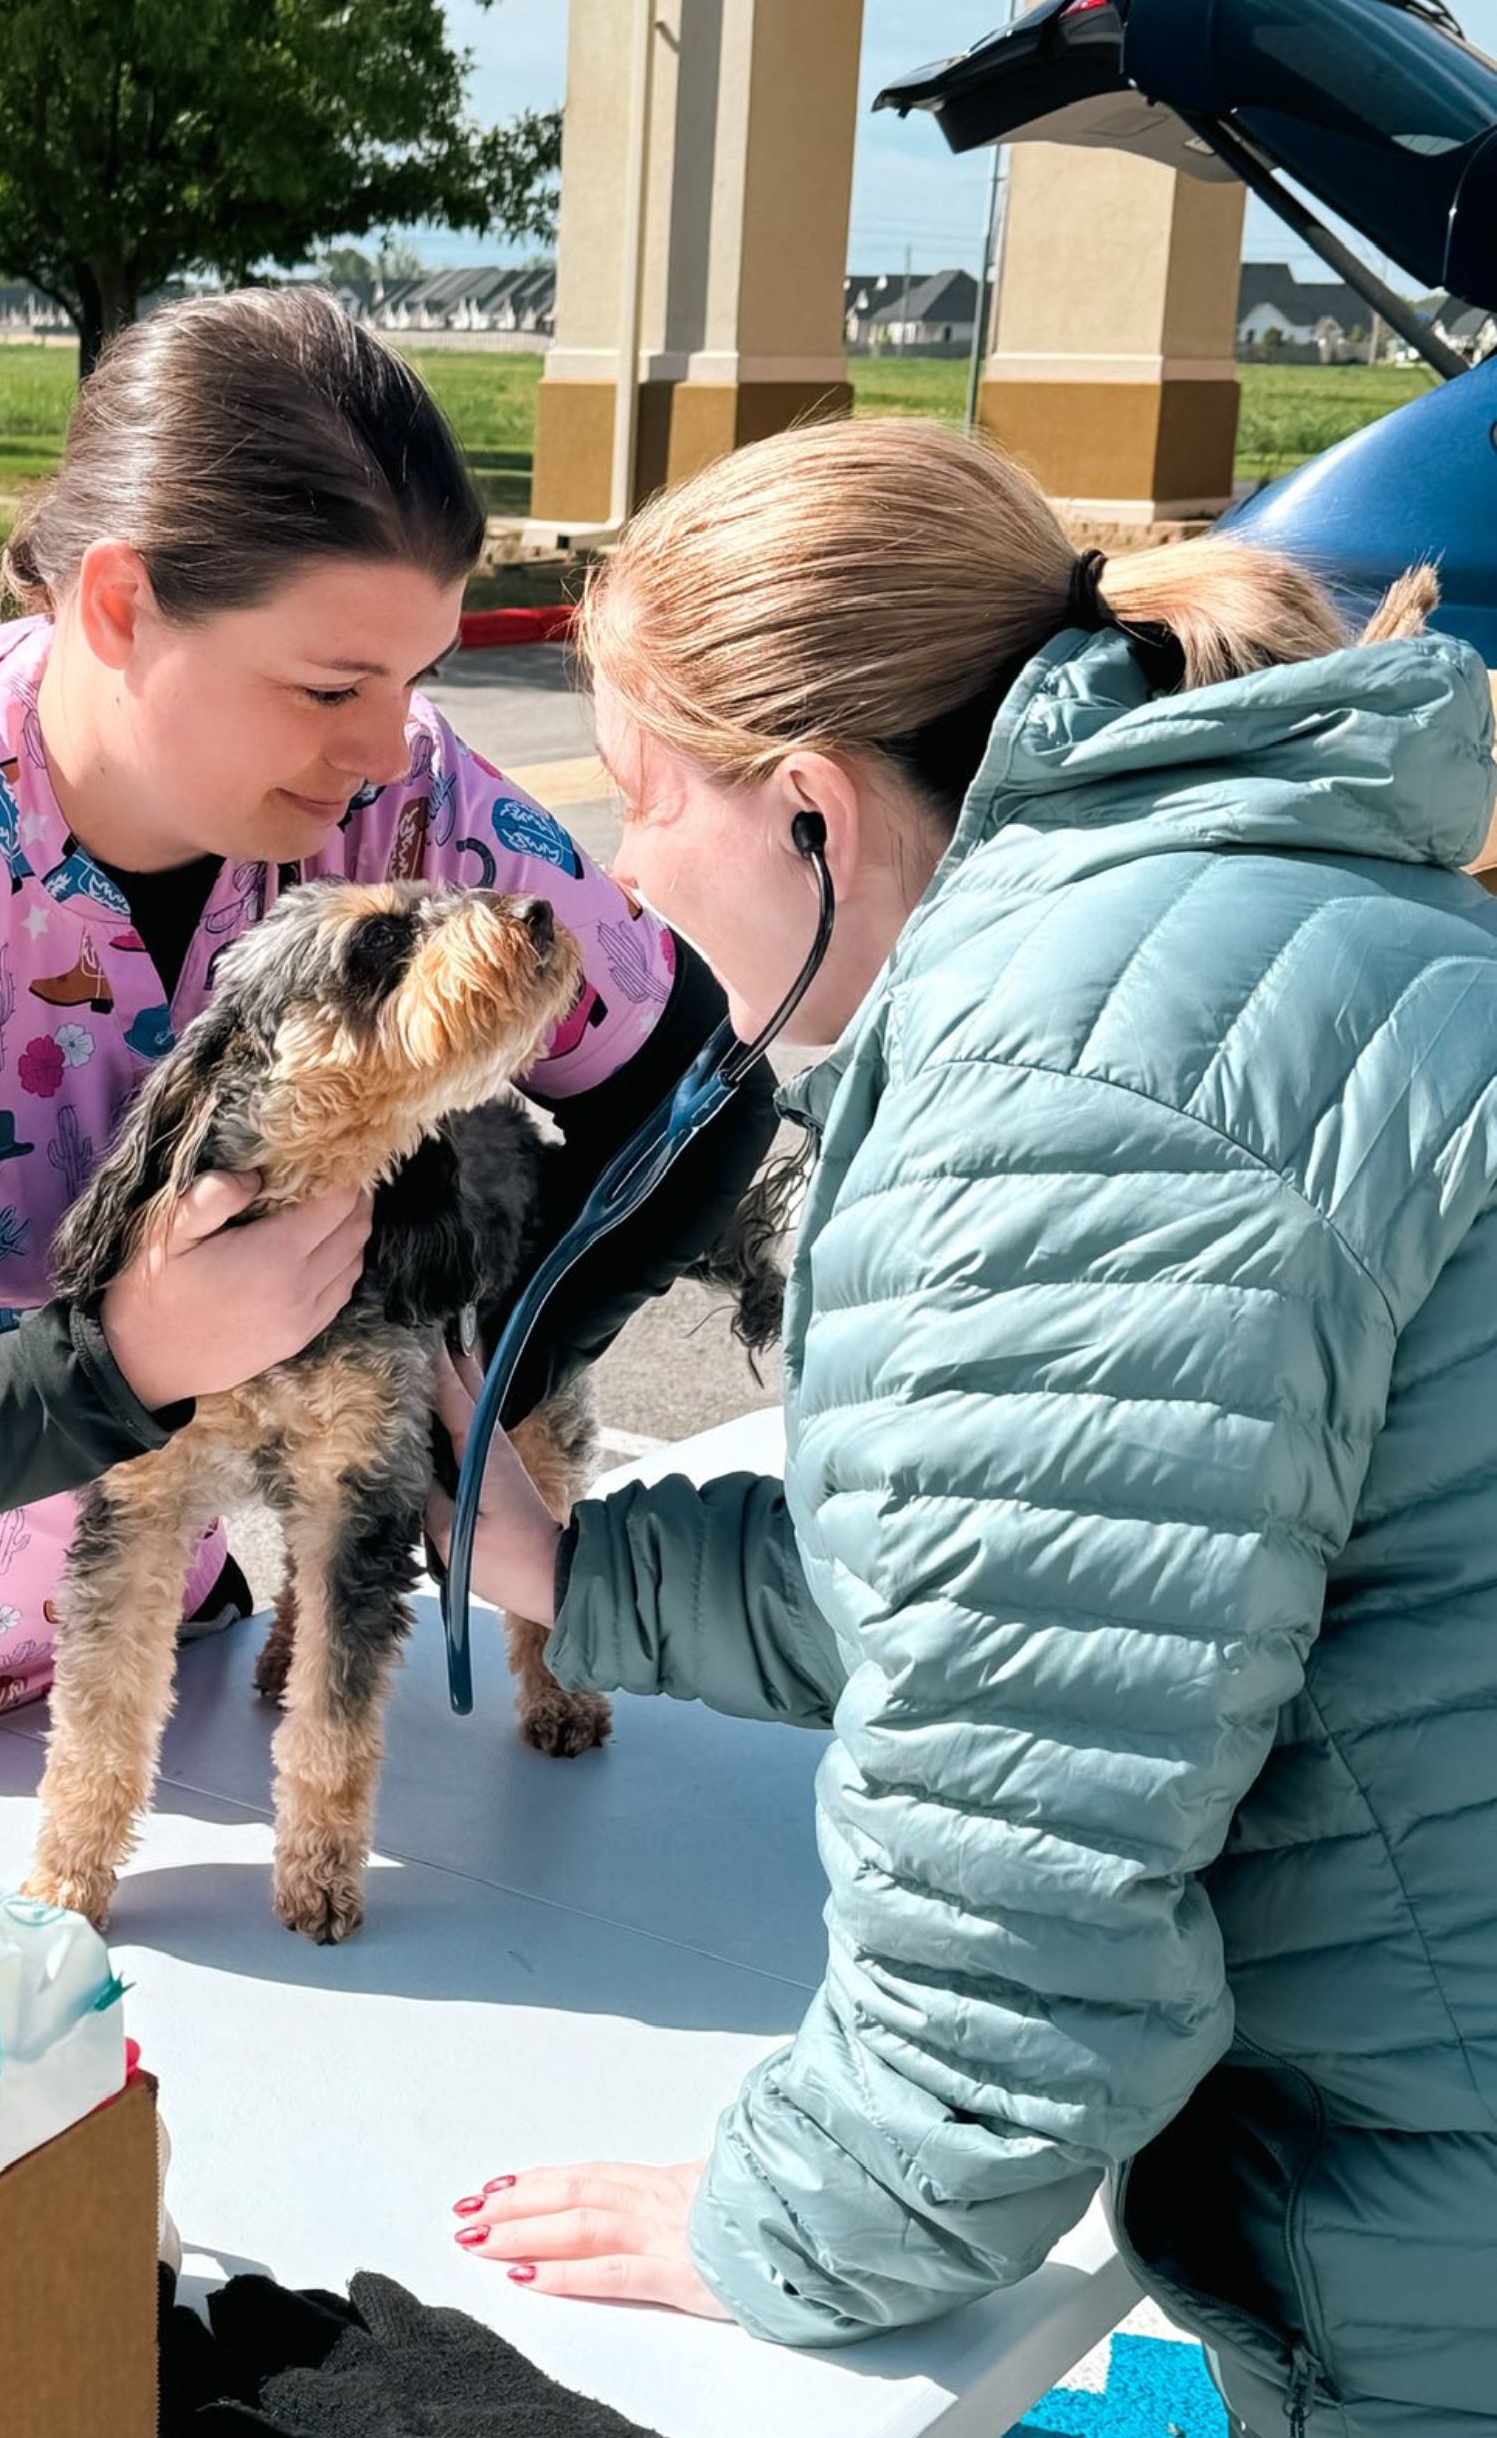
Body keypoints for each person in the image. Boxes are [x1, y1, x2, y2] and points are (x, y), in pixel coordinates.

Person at [429, 416, 1497, 2438]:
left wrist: (795, 2217)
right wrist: (584, 1572)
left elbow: (1026, 1915)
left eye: (648, 800)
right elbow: (1069, 1588)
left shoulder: (1059, 1103)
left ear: (815, 812)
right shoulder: (1210, 923)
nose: (625, 872)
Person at [0, 287, 775, 1799]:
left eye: (417, 677)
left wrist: (464, 1378)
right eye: (327, 685)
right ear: (116, 606)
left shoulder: (398, 802)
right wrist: (129, 1359)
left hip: (130, 1640)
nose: (389, 744)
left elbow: (695, 1100)